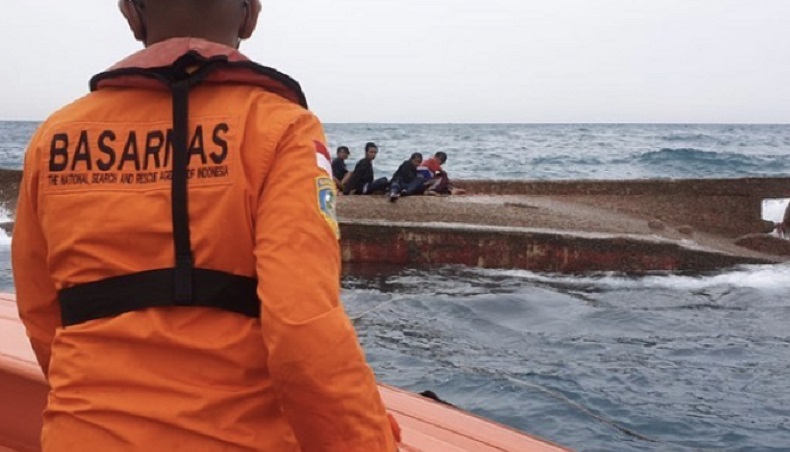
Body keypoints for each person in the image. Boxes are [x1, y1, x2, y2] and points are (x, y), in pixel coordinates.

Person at [11, 1, 397, 451]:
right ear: (250, 15)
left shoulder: (54, 137)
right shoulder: (282, 128)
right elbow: (302, 327)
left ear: (130, 13)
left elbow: (40, 315)